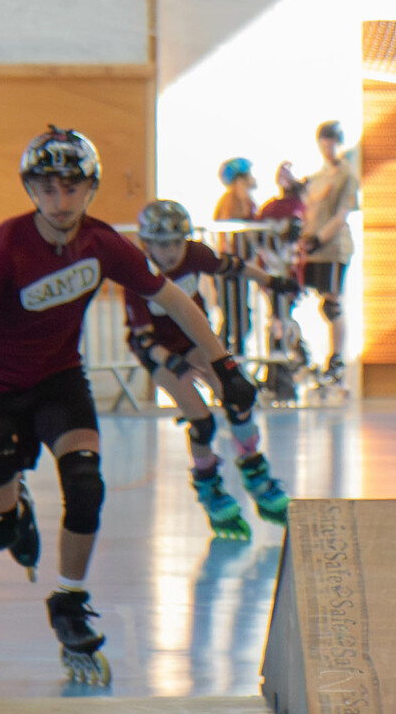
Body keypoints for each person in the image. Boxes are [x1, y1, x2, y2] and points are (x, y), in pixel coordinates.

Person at [0, 127, 258, 684]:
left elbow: (173, 299)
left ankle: (69, 601)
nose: (60, 202)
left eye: (72, 188)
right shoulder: (0, 249)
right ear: (31, 190)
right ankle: (15, 507)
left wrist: (224, 365)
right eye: (48, 189)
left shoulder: (102, 243)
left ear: (90, 189)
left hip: (58, 381)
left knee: (86, 485)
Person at [126, 200, 296, 537]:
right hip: (160, 351)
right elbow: (143, 340)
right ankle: (209, 485)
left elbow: (233, 266)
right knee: (201, 423)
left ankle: (254, 470)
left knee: (238, 398)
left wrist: (272, 281)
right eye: (162, 245)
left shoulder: (193, 254)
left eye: (176, 243)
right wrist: (173, 362)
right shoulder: (137, 273)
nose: (171, 252)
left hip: (193, 340)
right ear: (146, 244)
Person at [301, 120, 361, 386]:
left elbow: (341, 215)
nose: (329, 148)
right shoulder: (319, 176)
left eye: (333, 142)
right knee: (296, 298)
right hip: (312, 250)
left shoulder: (347, 176)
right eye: (325, 143)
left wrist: (319, 238)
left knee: (331, 304)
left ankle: (337, 360)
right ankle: (300, 354)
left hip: (333, 248)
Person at [254, 163, 310, 402]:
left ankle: (287, 365)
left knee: (282, 316)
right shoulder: (272, 207)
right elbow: (257, 235)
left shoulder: (299, 207)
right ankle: (280, 369)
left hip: (287, 271)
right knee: (278, 317)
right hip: (272, 270)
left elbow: (297, 239)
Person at [213, 157, 259, 355]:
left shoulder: (246, 201)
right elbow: (227, 234)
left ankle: (233, 355)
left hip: (241, 265)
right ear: (240, 178)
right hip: (230, 266)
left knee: (241, 317)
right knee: (234, 317)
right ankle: (224, 357)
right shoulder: (231, 200)